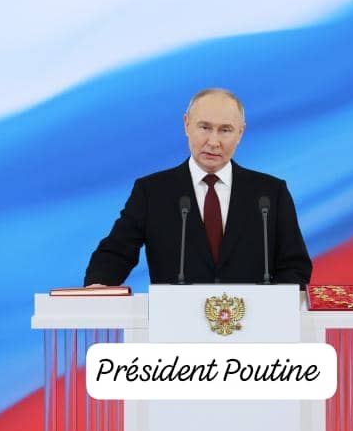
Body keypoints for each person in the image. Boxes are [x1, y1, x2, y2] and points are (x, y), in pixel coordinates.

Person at [84, 88, 311, 286]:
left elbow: (294, 266)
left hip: (251, 320)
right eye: (204, 127)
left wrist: (273, 306)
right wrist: (98, 285)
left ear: (240, 133)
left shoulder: (270, 193)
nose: (213, 141)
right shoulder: (152, 192)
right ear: (186, 124)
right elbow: (115, 253)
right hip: (175, 320)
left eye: (225, 130)